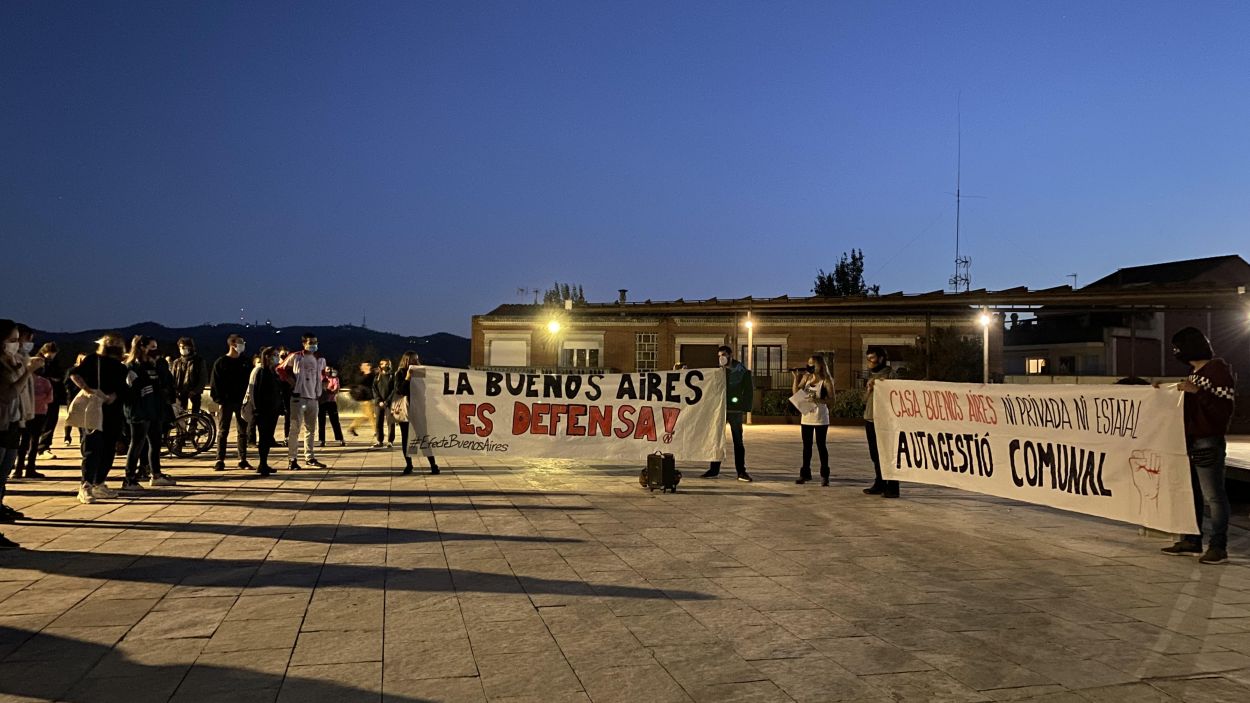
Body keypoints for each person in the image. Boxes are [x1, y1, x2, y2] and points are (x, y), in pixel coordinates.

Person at [1160, 327, 1236, 565]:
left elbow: (1224, 408)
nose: (1175, 353)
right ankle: (1192, 539)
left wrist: (1198, 393)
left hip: (1207, 440)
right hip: (1189, 440)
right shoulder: (1194, 373)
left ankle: (1218, 546)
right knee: (1189, 492)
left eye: (1177, 348)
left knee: (1213, 495)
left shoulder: (1217, 371)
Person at [68, 333, 129, 503]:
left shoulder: (121, 366)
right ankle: (86, 485)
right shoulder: (93, 360)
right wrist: (89, 390)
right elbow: (74, 374)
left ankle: (99, 483)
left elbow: (124, 389)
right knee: (92, 448)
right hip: (94, 410)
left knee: (109, 449)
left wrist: (114, 396)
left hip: (113, 413)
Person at [120, 336, 176, 491]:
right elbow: (131, 389)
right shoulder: (131, 366)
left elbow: (166, 382)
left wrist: (160, 365)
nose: (155, 350)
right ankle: (129, 478)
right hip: (139, 410)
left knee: (156, 442)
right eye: (152, 347)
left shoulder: (155, 365)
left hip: (155, 409)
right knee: (137, 443)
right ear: (141, 347)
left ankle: (156, 474)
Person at [1, 319, 42, 524]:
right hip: (2, 424)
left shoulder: (14, 360)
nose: (17, 344)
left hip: (14, 422)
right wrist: (28, 371)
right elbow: (10, 393)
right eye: (13, 340)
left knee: (3, 473)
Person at [700, 345, 753, 482]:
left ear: (730, 355)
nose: (721, 358)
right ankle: (714, 469)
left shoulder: (741, 371)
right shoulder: (717, 371)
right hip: (719, 410)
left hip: (734, 410)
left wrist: (745, 407)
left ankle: (741, 471)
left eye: (723, 355)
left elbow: (748, 391)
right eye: (719, 356)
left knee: (738, 441)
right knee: (716, 440)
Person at [279, 333, 328, 470]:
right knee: (294, 429)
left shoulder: (320, 359)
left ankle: (310, 457)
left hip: (313, 398)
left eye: (315, 342)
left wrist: (322, 386)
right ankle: (292, 459)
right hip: (298, 398)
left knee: (311, 429)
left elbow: (323, 375)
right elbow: (280, 369)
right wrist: (291, 382)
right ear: (304, 343)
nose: (313, 345)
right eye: (310, 342)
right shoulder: (295, 357)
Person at [389, 351, 439, 475]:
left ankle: (433, 464)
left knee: (423, 437)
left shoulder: (421, 373)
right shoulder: (400, 373)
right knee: (406, 438)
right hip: (406, 410)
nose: (415, 362)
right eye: (412, 360)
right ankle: (409, 465)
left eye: (417, 359)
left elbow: (427, 389)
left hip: (419, 409)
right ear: (406, 361)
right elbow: (400, 390)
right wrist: (407, 378)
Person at [210, 334, 252, 471]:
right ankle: (220, 459)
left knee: (243, 431)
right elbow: (215, 384)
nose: (243, 345)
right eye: (240, 342)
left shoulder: (245, 362)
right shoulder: (221, 362)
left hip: (242, 401)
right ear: (232, 344)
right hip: (226, 402)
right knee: (223, 431)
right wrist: (219, 400)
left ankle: (242, 459)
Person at [861, 346, 899, 498]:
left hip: (885, 421)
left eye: (872, 358)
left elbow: (897, 396)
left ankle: (893, 486)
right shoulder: (871, 376)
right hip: (870, 418)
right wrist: (869, 390)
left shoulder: (891, 375)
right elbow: (864, 400)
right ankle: (880, 482)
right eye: (867, 359)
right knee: (875, 454)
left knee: (887, 453)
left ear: (881, 359)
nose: (869, 362)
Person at [791, 354, 834, 486]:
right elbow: (796, 393)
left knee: (821, 446)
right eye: (808, 363)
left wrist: (818, 400)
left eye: (812, 364)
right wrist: (796, 379)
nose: (809, 366)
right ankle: (805, 474)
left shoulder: (826, 381)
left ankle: (825, 475)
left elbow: (832, 401)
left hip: (820, 417)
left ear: (820, 365)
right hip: (806, 417)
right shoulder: (807, 378)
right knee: (806, 447)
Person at [242, 346, 283, 476]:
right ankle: (262, 463)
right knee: (264, 437)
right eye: (275, 355)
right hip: (262, 410)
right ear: (267, 357)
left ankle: (264, 463)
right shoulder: (259, 371)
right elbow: (253, 391)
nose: (277, 358)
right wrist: (256, 409)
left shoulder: (272, 371)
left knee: (267, 438)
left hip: (272, 410)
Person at [14, 359, 52, 479]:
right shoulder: (44, 382)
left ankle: (19, 469)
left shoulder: (24, 380)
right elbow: (49, 398)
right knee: (32, 442)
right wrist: (39, 401)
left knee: (25, 442)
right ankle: (28, 468)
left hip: (28, 413)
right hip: (36, 413)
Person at [36, 342, 65, 457]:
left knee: (51, 422)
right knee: (38, 423)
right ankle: (35, 448)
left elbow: (60, 375)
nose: (52, 356)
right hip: (39, 397)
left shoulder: (54, 363)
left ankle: (44, 447)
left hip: (53, 396)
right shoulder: (38, 361)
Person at [170, 337, 209, 413]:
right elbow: (172, 378)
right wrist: (174, 390)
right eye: (181, 347)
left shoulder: (198, 361)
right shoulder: (177, 362)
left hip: (194, 391)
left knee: (196, 407)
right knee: (181, 412)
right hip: (180, 391)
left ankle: (194, 423)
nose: (182, 349)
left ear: (190, 347)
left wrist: (195, 391)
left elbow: (203, 378)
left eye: (184, 347)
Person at [62, 352, 88, 447]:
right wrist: (69, 391)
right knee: (70, 417)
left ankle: (82, 437)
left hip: (83, 397)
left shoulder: (87, 370)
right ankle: (67, 437)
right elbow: (66, 383)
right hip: (72, 396)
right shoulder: (72, 370)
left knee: (82, 418)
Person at [346, 361, 376, 437]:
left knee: (367, 416)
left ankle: (352, 427)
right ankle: (376, 431)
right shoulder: (360, 374)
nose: (368, 366)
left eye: (368, 365)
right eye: (365, 365)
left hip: (369, 397)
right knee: (370, 416)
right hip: (364, 397)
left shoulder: (371, 374)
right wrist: (367, 373)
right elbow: (360, 381)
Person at [318, 365, 345, 447]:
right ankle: (322, 440)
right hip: (321, 403)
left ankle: (340, 439)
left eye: (329, 369)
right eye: (327, 369)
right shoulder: (320, 378)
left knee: (335, 421)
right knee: (321, 422)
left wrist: (327, 390)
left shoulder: (335, 379)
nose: (328, 370)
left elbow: (336, 389)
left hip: (331, 402)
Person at [372, 358, 396, 448]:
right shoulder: (377, 376)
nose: (386, 365)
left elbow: (394, 390)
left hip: (389, 403)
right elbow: (374, 389)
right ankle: (380, 441)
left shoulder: (392, 376)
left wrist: (386, 401)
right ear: (380, 365)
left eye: (387, 364)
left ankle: (390, 441)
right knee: (378, 422)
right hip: (378, 404)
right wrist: (379, 400)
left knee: (390, 422)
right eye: (384, 364)